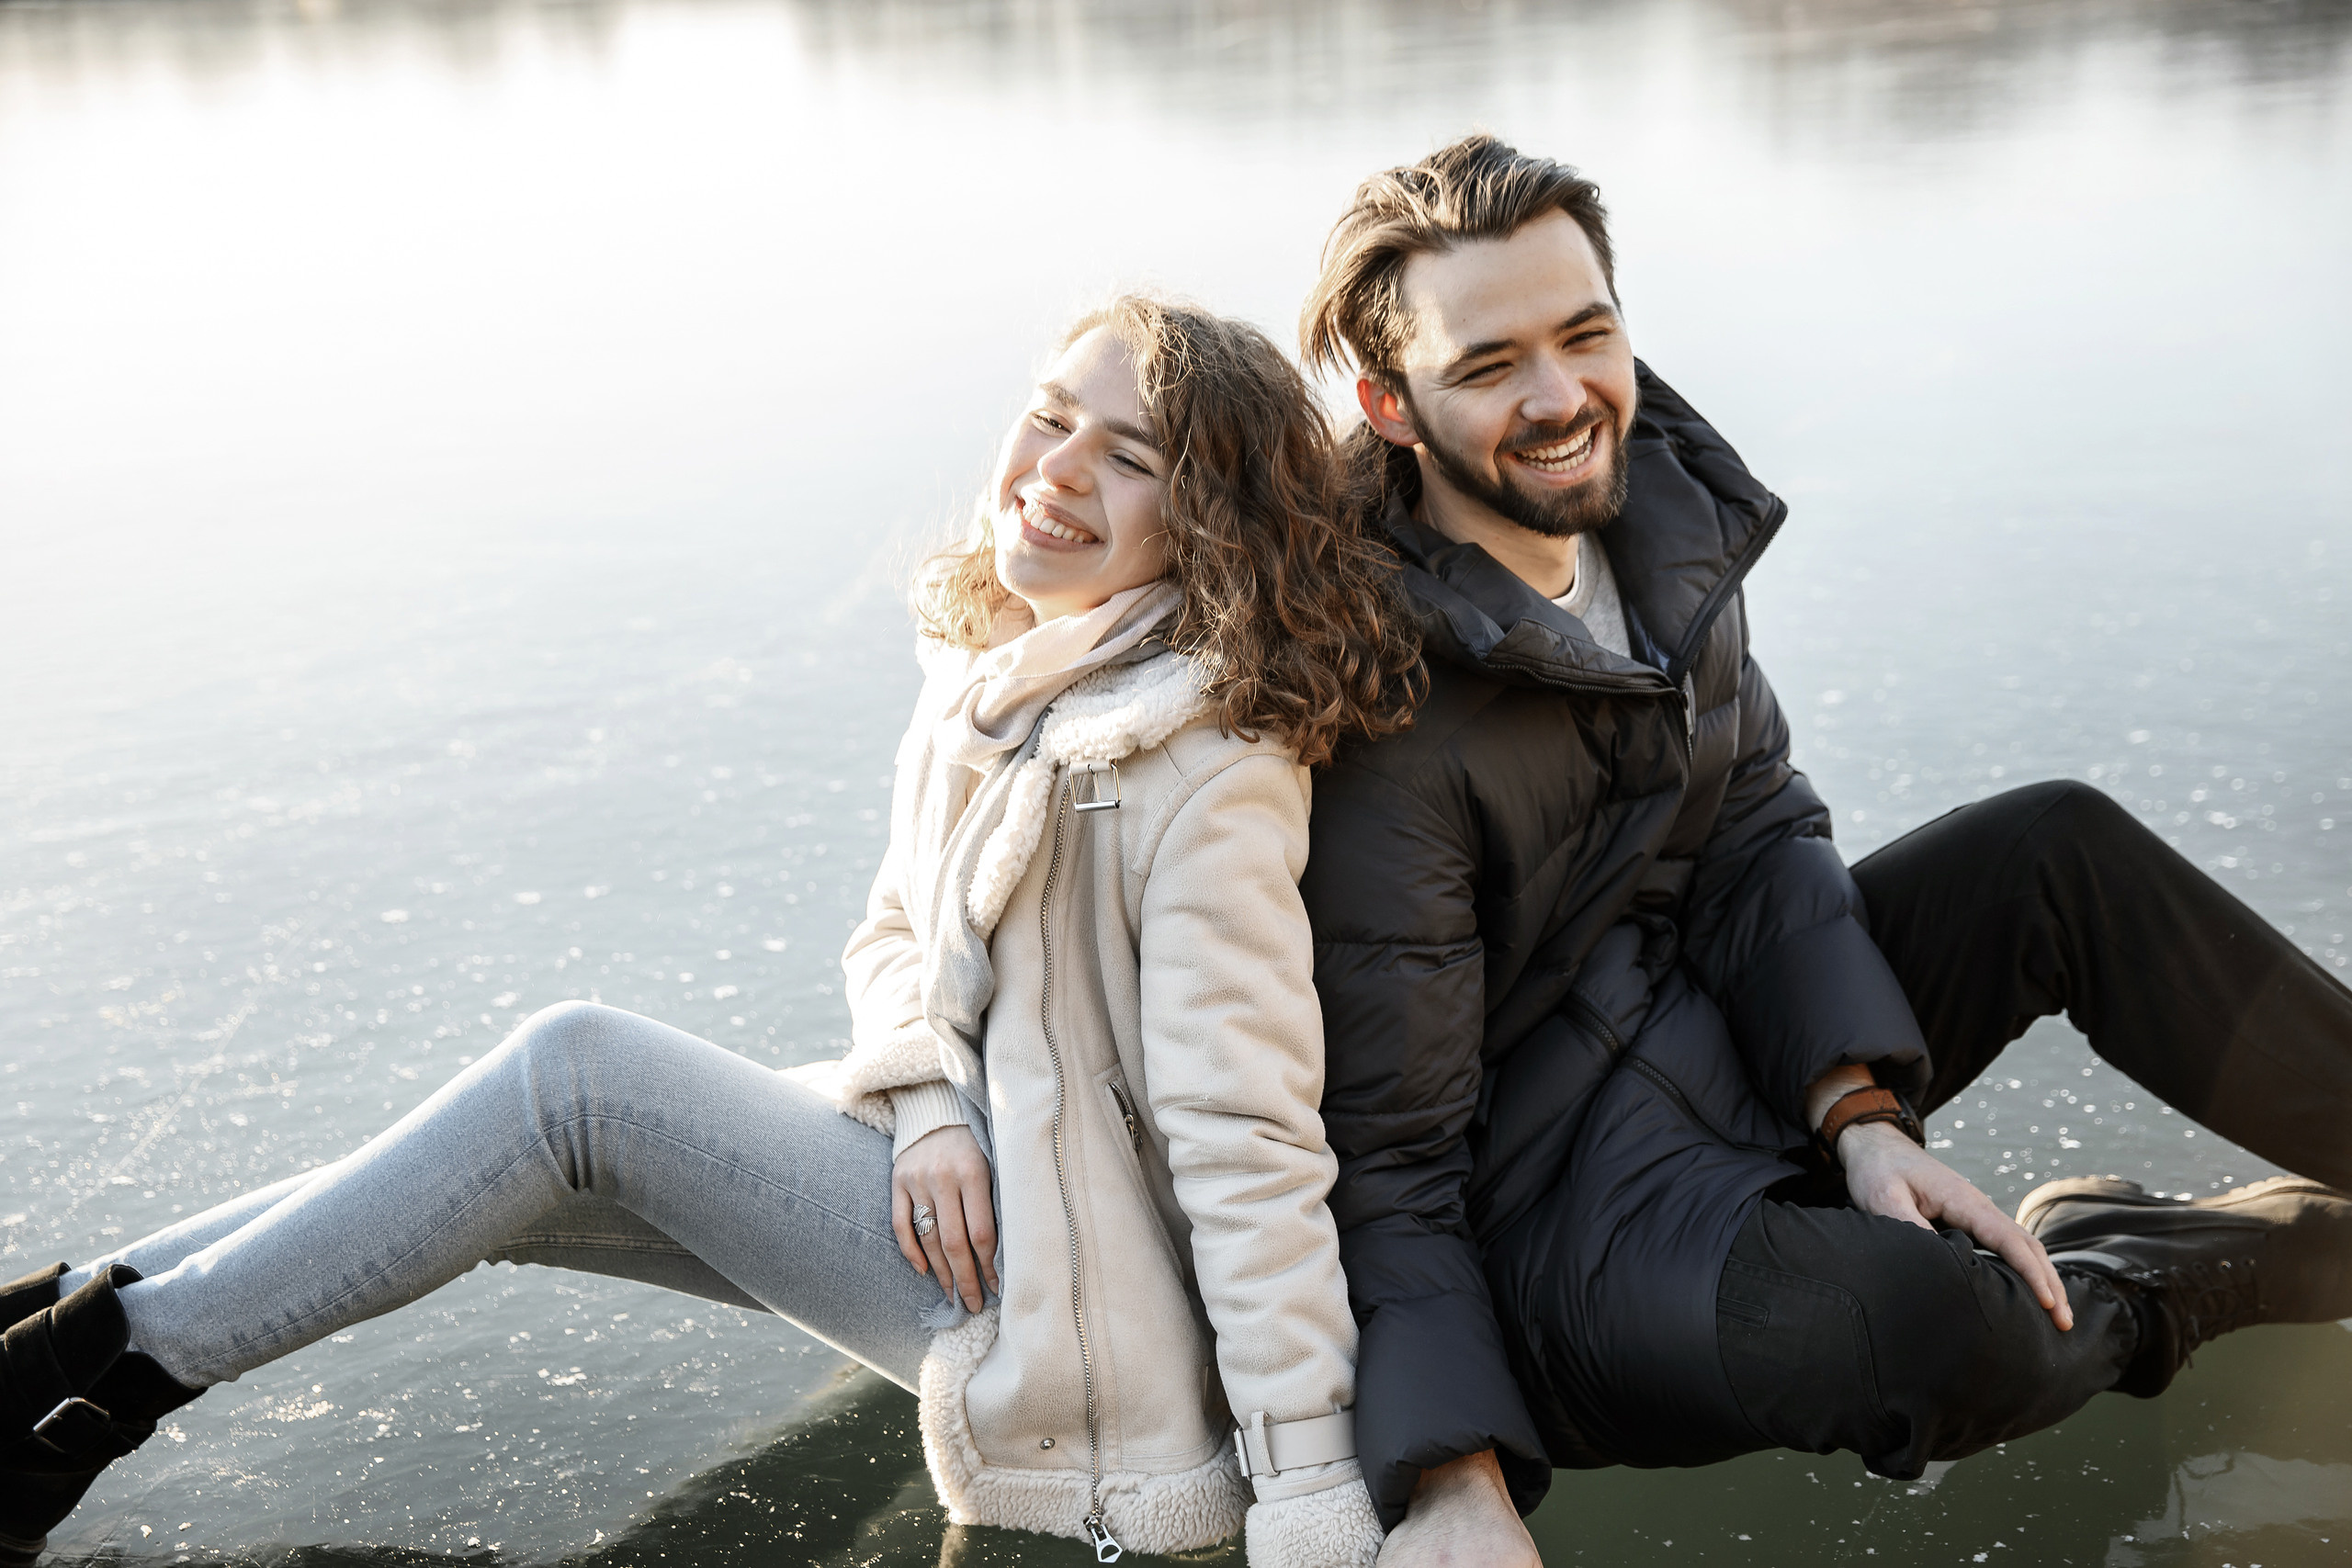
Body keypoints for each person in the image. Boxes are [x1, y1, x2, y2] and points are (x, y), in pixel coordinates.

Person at [0, 296, 1419, 1568]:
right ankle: (53, 1330)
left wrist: (1306, 1495)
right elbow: (897, 932)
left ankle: (88, 1385)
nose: (1056, 468)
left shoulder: (1209, 770)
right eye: (1050, 417)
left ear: (1209, 521)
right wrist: (925, 1099)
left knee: (575, 1078)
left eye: (1129, 456)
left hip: (1064, 1293)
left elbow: (1247, 1145)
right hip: (953, 1171)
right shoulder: (1001, 674)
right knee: (478, 1165)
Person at [1290, 134, 2352, 1564]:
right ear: (1391, 405)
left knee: (2055, 850)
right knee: (1928, 1329)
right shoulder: (1380, 710)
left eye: (1585, 335)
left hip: (1715, 1040)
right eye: (1489, 365)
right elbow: (1393, 1157)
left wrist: (1855, 1110)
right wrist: (1451, 1471)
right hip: (1564, 1232)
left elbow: (1756, 833)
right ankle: (2157, 1272)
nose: (1560, 398)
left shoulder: (1662, 533)